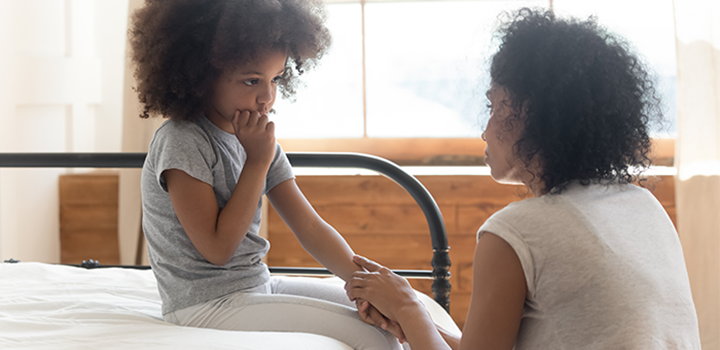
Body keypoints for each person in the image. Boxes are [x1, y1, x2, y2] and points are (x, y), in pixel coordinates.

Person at [346, 8, 701, 350]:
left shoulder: (516, 232)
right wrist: (414, 321)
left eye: (496, 108)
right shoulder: (644, 205)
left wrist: (408, 305)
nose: (485, 131)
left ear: (535, 117)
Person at [130, 1, 402, 349]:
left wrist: (365, 282)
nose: (267, 96)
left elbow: (309, 227)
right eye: (251, 80)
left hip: (257, 285)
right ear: (201, 74)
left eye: (275, 78)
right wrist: (256, 163)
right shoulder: (182, 140)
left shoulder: (257, 140)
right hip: (203, 305)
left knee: (385, 319)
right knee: (374, 340)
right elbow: (217, 249)